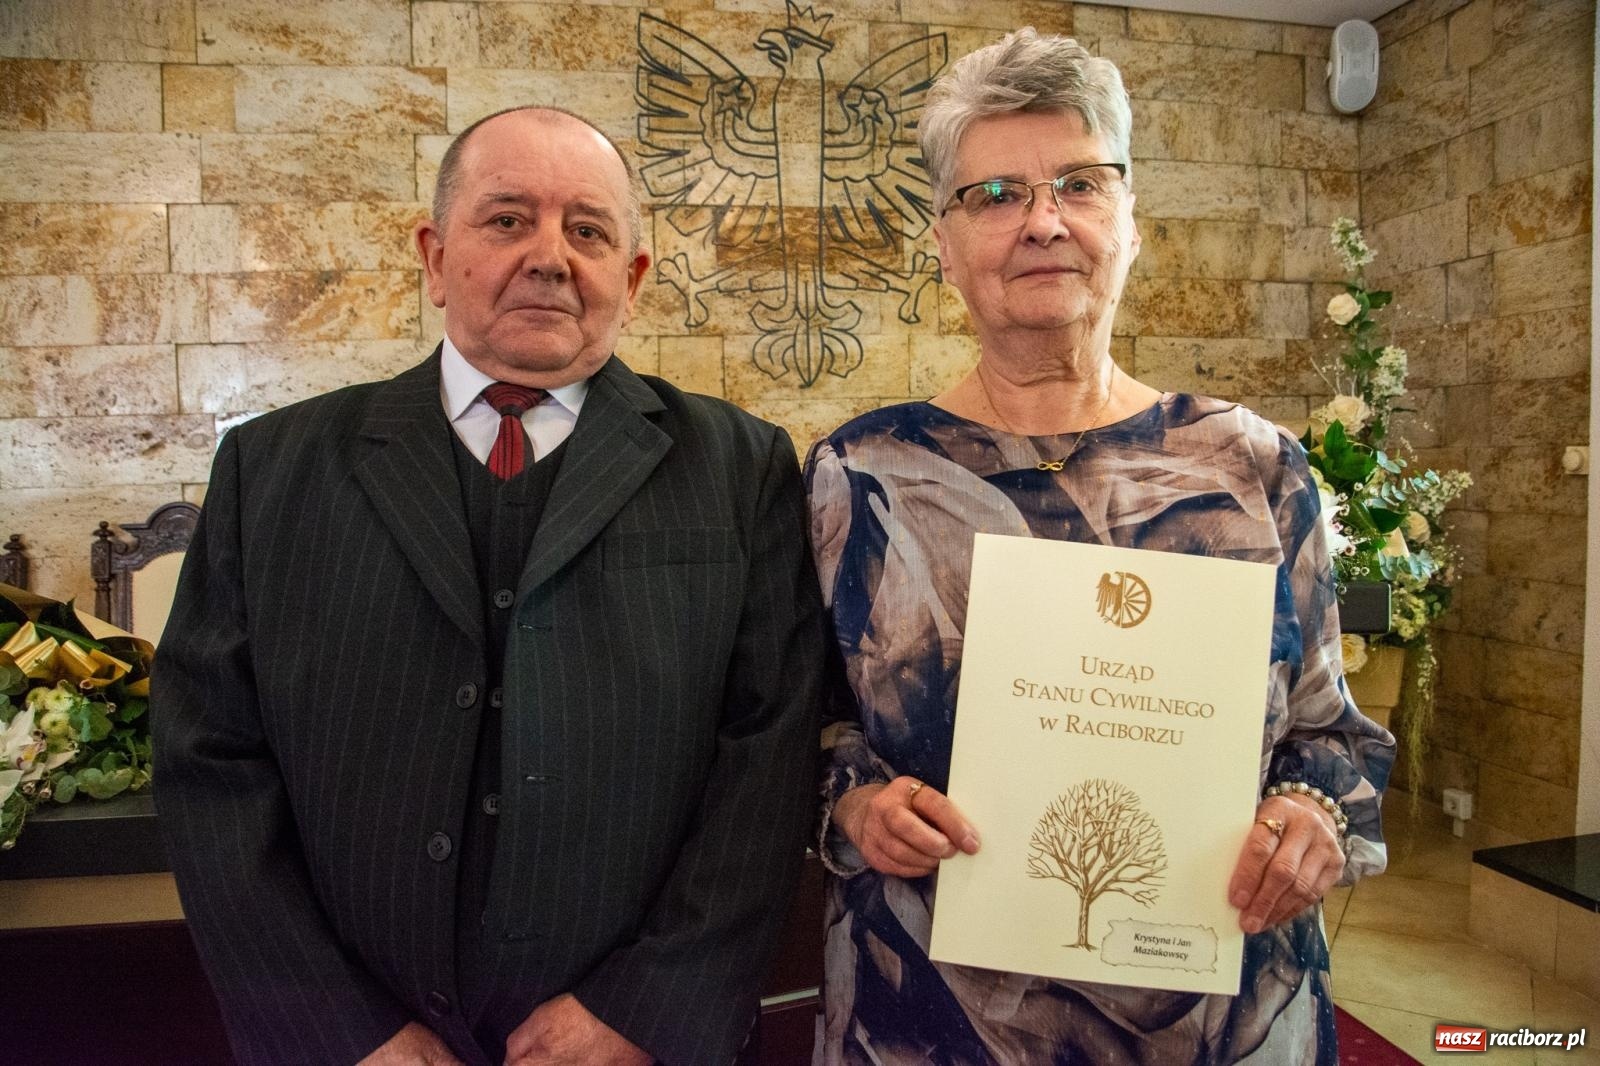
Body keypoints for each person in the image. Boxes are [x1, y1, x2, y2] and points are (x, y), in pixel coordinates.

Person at [154, 106, 826, 1066]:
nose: (551, 257)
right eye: (508, 219)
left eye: (587, 231)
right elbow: (208, 761)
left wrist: (644, 1010)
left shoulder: (739, 468)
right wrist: (337, 1031)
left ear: (630, 280)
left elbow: (767, 757)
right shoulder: (273, 471)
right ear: (434, 257)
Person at [804, 30, 1394, 1065]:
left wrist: (1309, 816)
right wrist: (855, 800)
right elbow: (794, 735)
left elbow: (1329, 740)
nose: (1040, 221)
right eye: (994, 195)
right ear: (941, 246)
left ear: (1130, 224)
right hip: (934, 1019)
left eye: (1079, 183)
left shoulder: (1255, 466)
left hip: (1216, 1015)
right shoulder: (859, 475)